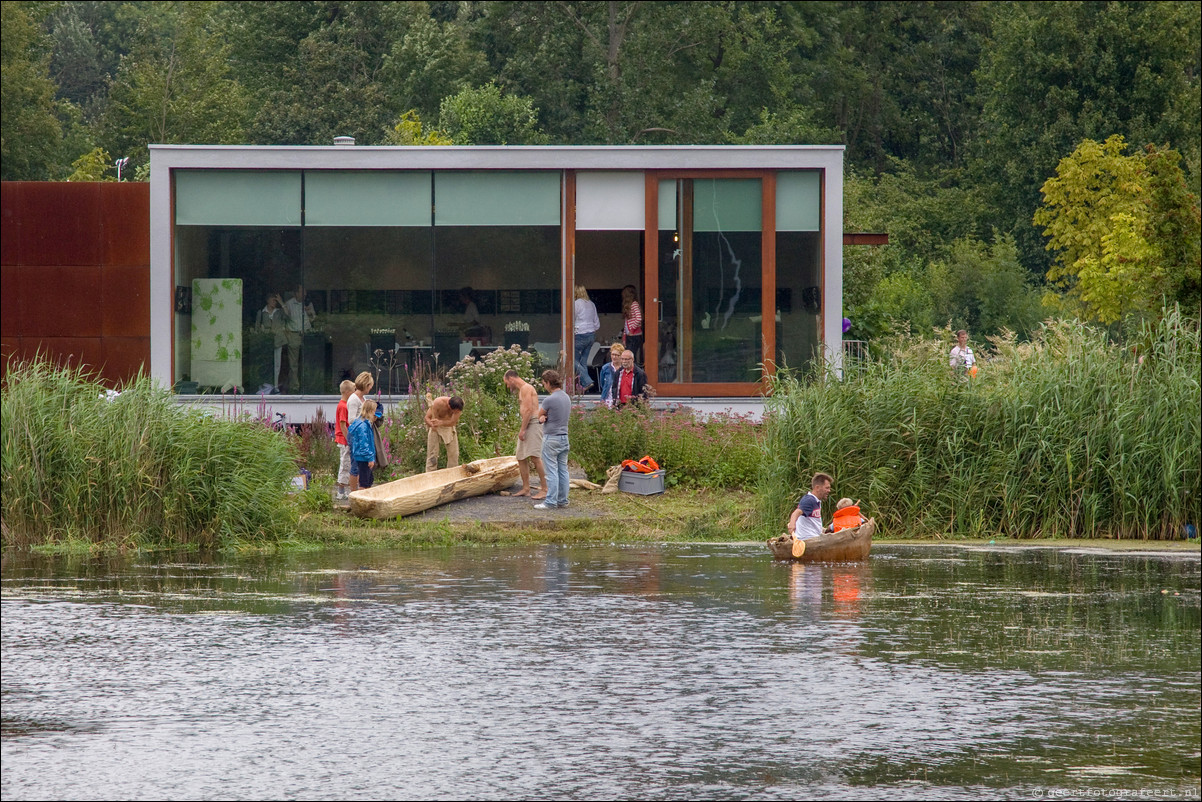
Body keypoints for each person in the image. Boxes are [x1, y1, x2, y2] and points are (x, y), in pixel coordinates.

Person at [504, 369, 547, 499]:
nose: (507, 386)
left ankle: (545, 489)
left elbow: (528, 410)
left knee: (535, 457)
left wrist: (523, 429)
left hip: (532, 423)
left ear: (511, 378)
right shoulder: (522, 390)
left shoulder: (526, 388)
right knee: (521, 456)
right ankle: (526, 488)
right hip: (527, 423)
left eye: (506, 383)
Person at [535, 370, 571, 510]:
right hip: (564, 437)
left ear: (549, 383)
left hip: (551, 438)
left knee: (551, 472)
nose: (544, 386)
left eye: (544, 383)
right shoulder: (566, 397)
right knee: (563, 470)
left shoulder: (549, 399)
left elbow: (539, 415)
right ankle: (563, 499)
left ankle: (550, 501)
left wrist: (543, 418)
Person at [281, 284, 315, 392]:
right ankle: (295, 387)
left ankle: (308, 384)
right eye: (302, 292)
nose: (304, 294)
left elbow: (313, 318)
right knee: (293, 363)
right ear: (296, 293)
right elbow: (286, 317)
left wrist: (310, 313)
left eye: (305, 292)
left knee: (308, 361)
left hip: (307, 334)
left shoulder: (307, 303)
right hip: (294, 334)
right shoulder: (289, 304)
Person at [346, 372, 373, 492]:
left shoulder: (363, 398)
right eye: (370, 385)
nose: (371, 388)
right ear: (366, 385)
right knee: (355, 464)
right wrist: (364, 417)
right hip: (356, 434)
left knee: (362, 465)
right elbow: (351, 419)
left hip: (363, 432)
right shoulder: (353, 399)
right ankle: (353, 491)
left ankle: (361, 489)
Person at [787, 473, 833, 541]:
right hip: (807, 539)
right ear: (817, 487)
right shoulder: (809, 500)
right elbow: (796, 512)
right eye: (827, 488)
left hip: (814, 537)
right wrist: (792, 524)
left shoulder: (816, 501)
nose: (829, 490)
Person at [424, 393, 464, 472]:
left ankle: (452, 474)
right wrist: (431, 425)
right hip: (435, 427)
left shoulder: (459, 406)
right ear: (449, 406)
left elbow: (453, 422)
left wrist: (441, 423)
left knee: (454, 454)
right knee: (432, 455)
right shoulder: (438, 403)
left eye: (457, 412)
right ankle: (430, 475)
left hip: (449, 427)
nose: (456, 413)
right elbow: (427, 418)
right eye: (455, 412)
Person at [572, 285, 601, 393]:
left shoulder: (576, 303)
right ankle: (583, 388)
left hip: (580, 334)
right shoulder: (591, 304)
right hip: (591, 335)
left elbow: (571, 319)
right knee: (583, 362)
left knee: (572, 359)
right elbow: (597, 323)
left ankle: (587, 381)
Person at [256, 292, 287, 388]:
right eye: (273, 300)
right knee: (266, 363)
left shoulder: (279, 311)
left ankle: (276, 385)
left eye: (276, 301)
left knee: (277, 364)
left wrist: (282, 303)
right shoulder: (262, 312)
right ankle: (265, 384)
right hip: (266, 341)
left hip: (278, 340)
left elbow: (288, 315)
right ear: (268, 300)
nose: (275, 302)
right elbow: (257, 327)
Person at [348, 399, 378, 489]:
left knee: (369, 479)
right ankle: (362, 500)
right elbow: (364, 444)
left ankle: (366, 498)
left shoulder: (363, 423)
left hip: (362, 456)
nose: (375, 413)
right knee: (364, 482)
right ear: (370, 411)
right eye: (374, 411)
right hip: (364, 457)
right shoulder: (363, 426)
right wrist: (370, 458)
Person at [334, 379, 354, 500]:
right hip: (344, 440)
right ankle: (341, 491)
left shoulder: (343, 405)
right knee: (345, 464)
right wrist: (348, 439)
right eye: (353, 391)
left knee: (348, 464)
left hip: (344, 439)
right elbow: (342, 425)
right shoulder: (343, 406)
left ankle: (344, 490)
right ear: (347, 392)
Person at [621, 284, 644, 365]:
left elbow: (639, 318)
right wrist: (624, 337)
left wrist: (632, 330)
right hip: (629, 335)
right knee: (629, 355)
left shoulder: (634, 304)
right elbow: (626, 324)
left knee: (630, 356)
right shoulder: (628, 306)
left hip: (634, 335)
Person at [598, 343, 624, 408]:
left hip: (621, 401)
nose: (614, 357)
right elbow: (602, 384)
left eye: (617, 355)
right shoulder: (605, 368)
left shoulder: (624, 368)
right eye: (612, 354)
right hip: (607, 400)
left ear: (621, 356)